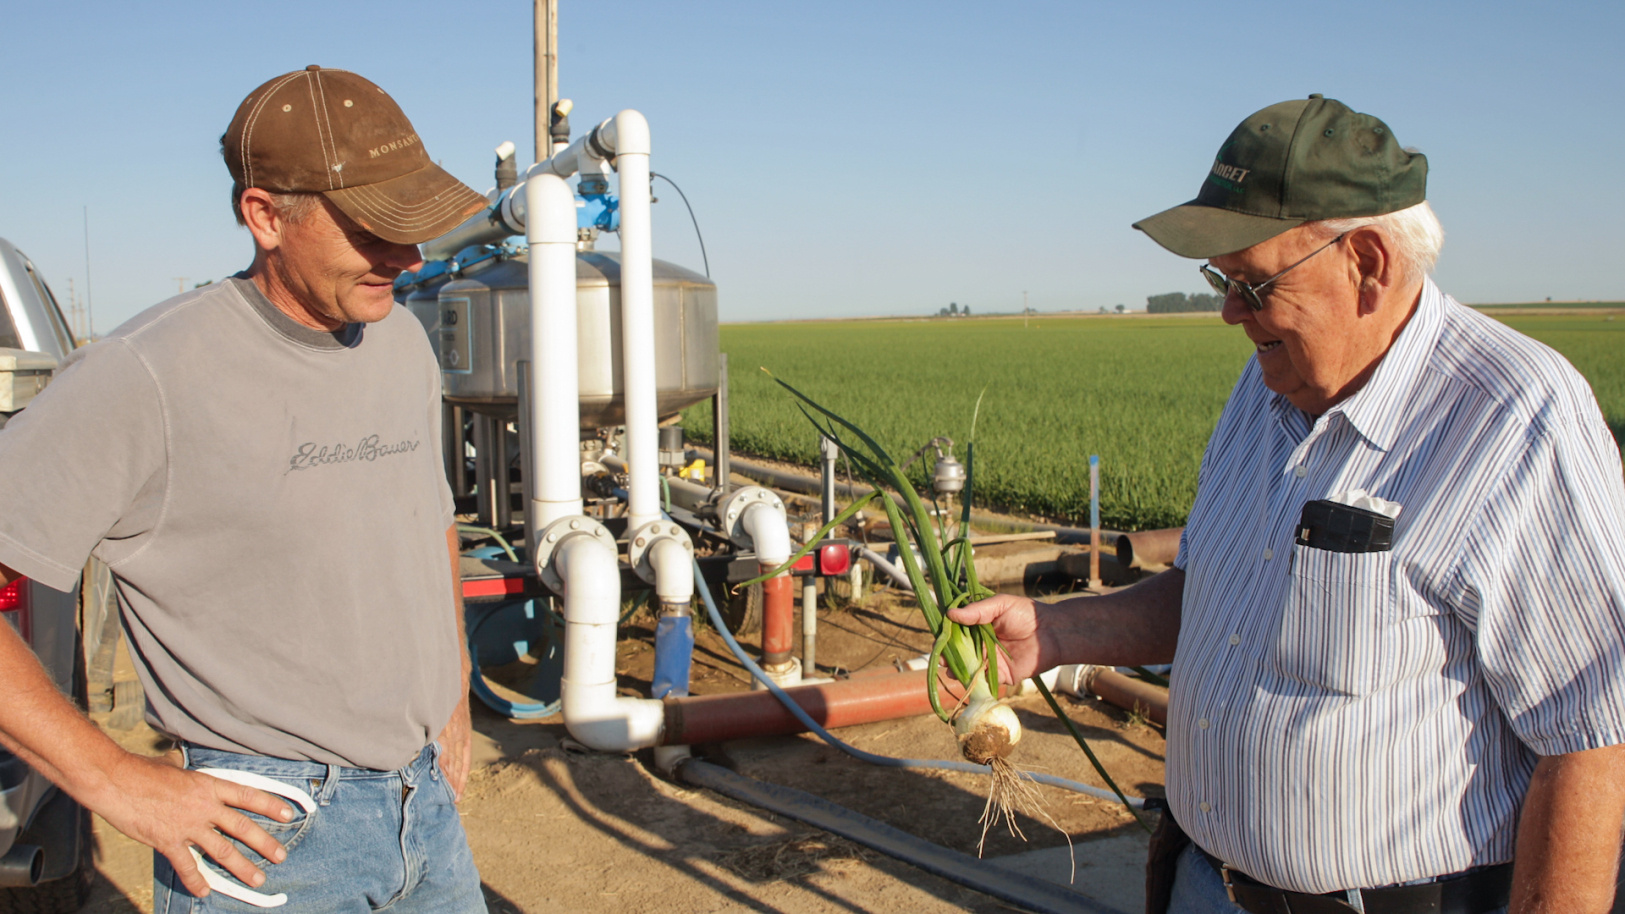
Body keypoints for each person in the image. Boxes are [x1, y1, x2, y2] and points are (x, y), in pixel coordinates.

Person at [951, 95, 1625, 914]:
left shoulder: (1512, 417)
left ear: (1368, 264)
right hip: (1205, 882)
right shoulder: (1267, 384)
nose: (1230, 312)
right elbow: (1218, 595)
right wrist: (1057, 631)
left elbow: (1591, 739)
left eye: (1253, 283)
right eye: (1220, 281)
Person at [0, 66, 492, 911]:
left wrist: (448, 692)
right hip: (270, 838)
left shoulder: (399, 339)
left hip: (427, 817)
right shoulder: (143, 376)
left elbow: (428, 523)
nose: (407, 260)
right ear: (265, 216)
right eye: (374, 228)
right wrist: (115, 779)